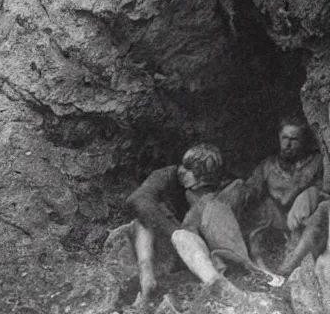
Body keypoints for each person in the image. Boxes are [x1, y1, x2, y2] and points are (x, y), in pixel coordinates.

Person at [127, 144, 282, 308]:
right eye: (197, 178)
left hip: (199, 248)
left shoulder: (220, 186)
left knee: (209, 212)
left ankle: (218, 282)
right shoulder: (165, 176)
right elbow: (137, 199)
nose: (199, 186)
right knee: (141, 222)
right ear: (187, 168)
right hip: (166, 244)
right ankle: (147, 276)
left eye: (204, 183)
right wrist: (174, 232)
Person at [242, 116, 324, 275]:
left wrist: (309, 193)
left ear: (304, 141)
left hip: (303, 221)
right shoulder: (268, 165)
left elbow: (325, 189)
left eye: (294, 140)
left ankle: (291, 264)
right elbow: (251, 191)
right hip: (274, 220)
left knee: (311, 196)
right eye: (284, 138)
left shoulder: (316, 162)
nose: (287, 145)